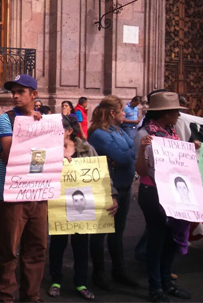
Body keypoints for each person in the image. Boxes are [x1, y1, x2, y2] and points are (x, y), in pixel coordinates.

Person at [135, 91, 198, 302]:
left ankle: (167, 281)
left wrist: (190, 149)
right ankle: (155, 287)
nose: (179, 115)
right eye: (177, 111)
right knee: (157, 239)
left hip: (172, 192)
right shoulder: (143, 134)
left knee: (171, 239)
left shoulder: (172, 133)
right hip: (152, 192)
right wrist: (143, 149)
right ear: (166, 113)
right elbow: (142, 172)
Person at [47, 115, 118, 301]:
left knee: (81, 246)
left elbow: (102, 175)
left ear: (69, 131)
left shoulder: (87, 149)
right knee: (57, 244)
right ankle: (56, 281)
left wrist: (112, 195)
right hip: (59, 207)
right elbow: (37, 170)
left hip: (82, 206)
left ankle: (81, 282)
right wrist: (55, 159)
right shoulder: (48, 150)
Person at [0, 74, 47, 302]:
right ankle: (5, 297)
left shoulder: (45, 120)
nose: (15, 96)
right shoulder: (6, 120)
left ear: (34, 95)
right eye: (13, 92)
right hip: (12, 196)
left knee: (36, 249)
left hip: (38, 194)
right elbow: (7, 155)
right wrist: (29, 128)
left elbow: (48, 154)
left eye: (20, 92)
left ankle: (31, 297)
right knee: (9, 251)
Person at [87, 95, 138, 289]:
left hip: (124, 187)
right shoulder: (99, 134)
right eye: (122, 111)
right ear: (112, 113)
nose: (125, 113)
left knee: (118, 232)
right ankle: (98, 274)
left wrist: (126, 156)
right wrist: (125, 156)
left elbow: (132, 153)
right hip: (108, 189)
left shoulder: (118, 129)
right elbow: (125, 159)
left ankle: (119, 270)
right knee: (101, 233)